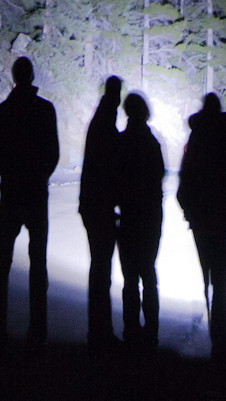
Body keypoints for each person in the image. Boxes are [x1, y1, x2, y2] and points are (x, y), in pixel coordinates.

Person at [0, 56, 60, 346]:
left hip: (11, 192)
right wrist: (40, 175)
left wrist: (10, 175)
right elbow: (53, 152)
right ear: (32, 76)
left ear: (14, 77)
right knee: (38, 261)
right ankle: (38, 329)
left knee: (2, 261)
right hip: (35, 193)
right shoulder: (45, 109)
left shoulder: (4, 110)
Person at [177, 91, 226, 362]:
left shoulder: (196, 138)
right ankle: (221, 339)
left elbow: (185, 180)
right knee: (222, 279)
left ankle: (217, 333)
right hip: (224, 220)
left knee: (208, 277)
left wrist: (190, 211)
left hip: (201, 220)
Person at [114, 91, 164, 353]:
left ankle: (131, 329)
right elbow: (157, 180)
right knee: (148, 273)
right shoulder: (151, 144)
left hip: (129, 216)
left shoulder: (122, 143)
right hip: (150, 216)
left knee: (130, 277)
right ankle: (151, 331)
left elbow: (115, 181)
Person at [79, 75, 123, 349]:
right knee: (101, 270)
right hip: (100, 206)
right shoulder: (107, 120)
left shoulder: (101, 117)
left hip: (92, 204)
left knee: (99, 268)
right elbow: (109, 165)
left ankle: (98, 329)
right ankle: (100, 332)